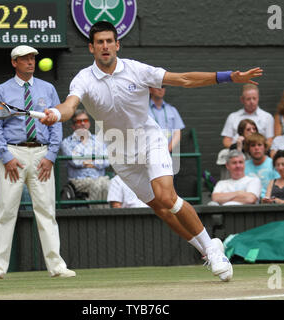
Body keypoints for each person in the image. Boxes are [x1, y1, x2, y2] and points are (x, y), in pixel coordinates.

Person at [41, 21, 263, 281]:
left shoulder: (137, 70)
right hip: (119, 153)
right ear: (91, 47)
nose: (105, 46)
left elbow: (182, 79)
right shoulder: (83, 79)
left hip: (149, 140)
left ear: (117, 44)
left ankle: (213, 250)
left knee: (167, 197)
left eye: (109, 41)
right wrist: (56, 113)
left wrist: (226, 77)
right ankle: (207, 248)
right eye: (99, 42)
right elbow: (70, 106)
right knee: (160, 208)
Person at [0, 45, 75, 280]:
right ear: (14, 62)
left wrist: (50, 156)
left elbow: (56, 123)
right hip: (13, 155)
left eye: (33, 58)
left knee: (47, 211)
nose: (30, 62)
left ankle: (57, 266)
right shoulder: (2, 90)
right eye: (24, 58)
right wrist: (6, 157)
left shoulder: (48, 89)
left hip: (41, 156)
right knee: (5, 212)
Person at [61, 109, 110, 207]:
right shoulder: (67, 142)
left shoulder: (100, 140)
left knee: (107, 184)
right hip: (78, 181)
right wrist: (95, 161)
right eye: (79, 121)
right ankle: (96, 218)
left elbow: (106, 161)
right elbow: (75, 161)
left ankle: (106, 217)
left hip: (100, 178)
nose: (83, 123)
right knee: (97, 185)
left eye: (85, 120)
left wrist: (85, 161)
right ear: (73, 126)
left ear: (89, 124)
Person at [221, 84, 274, 149]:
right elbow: (226, 141)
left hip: (258, 154)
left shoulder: (267, 117)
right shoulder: (233, 117)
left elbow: (270, 141)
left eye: (254, 98)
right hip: (237, 153)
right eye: (248, 99)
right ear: (242, 100)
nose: (252, 102)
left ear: (258, 98)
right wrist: (238, 148)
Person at [148, 86, 185, 153]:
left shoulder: (172, 110)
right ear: (150, 90)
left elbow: (177, 133)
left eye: (163, 87)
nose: (160, 89)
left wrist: (167, 151)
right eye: (157, 86)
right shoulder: (143, 110)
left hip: (168, 153)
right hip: (149, 153)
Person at [244, 133, 280, 199]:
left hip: (269, 201)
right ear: (248, 149)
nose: (256, 148)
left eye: (259, 145)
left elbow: (279, 186)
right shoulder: (243, 166)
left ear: (265, 147)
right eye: (253, 145)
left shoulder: (273, 164)